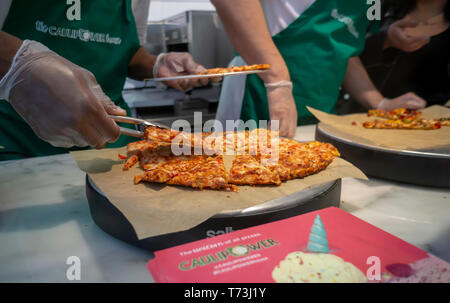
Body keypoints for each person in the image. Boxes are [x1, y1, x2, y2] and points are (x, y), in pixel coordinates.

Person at [0, 0, 209, 161]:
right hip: (17, 139)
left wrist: (156, 64)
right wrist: (20, 66)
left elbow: (127, 52)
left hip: (111, 139)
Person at [212, 0, 427, 139]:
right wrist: (278, 82)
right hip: (257, 98)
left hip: (320, 111)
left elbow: (343, 52)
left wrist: (381, 103)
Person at [346, 0, 449, 112]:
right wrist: (385, 41)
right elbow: (343, 51)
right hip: (359, 115)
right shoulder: (378, 6)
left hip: (429, 122)